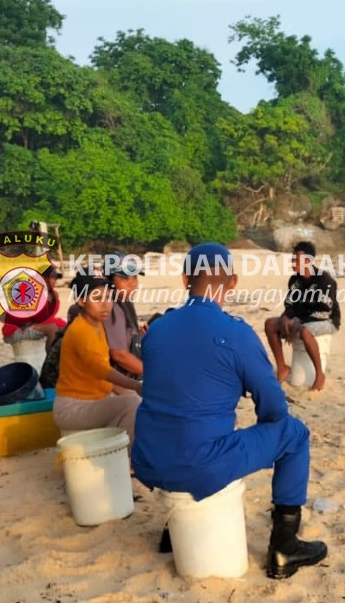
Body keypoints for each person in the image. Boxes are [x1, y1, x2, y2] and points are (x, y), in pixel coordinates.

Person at [131, 243, 328, 580]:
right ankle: (284, 547)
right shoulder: (235, 333)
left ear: (184, 279)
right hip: (199, 464)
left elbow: (170, 389)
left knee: (190, 426)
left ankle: (173, 530)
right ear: (232, 282)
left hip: (149, 459)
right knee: (293, 435)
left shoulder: (157, 328)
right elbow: (274, 406)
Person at [52, 273, 143, 443]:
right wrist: (136, 386)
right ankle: (128, 460)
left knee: (136, 400)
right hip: (74, 407)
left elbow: (104, 376)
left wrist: (135, 392)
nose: (105, 304)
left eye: (108, 297)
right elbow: (102, 370)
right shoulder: (81, 331)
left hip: (95, 399)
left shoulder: (96, 325)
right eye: (97, 298)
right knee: (131, 404)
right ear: (81, 301)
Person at [265, 241, 340, 390]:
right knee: (271, 324)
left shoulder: (324, 280)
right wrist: (287, 318)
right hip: (303, 319)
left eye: (297, 259)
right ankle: (282, 367)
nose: (294, 263)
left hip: (327, 320)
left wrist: (298, 324)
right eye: (293, 259)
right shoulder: (295, 280)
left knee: (305, 331)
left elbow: (324, 311)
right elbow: (290, 305)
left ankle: (319, 374)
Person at [1, 264, 66, 350]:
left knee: (59, 326)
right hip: (14, 330)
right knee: (52, 328)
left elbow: (50, 315)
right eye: (53, 278)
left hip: (26, 325)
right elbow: (43, 319)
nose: (55, 281)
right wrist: (64, 324)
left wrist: (55, 300)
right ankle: (49, 360)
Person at [103, 252, 145, 380]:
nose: (132, 283)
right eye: (124, 279)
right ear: (109, 281)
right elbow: (119, 355)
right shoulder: (110, 307)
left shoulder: (125, 302)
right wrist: (154, 373)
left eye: (134, 277)